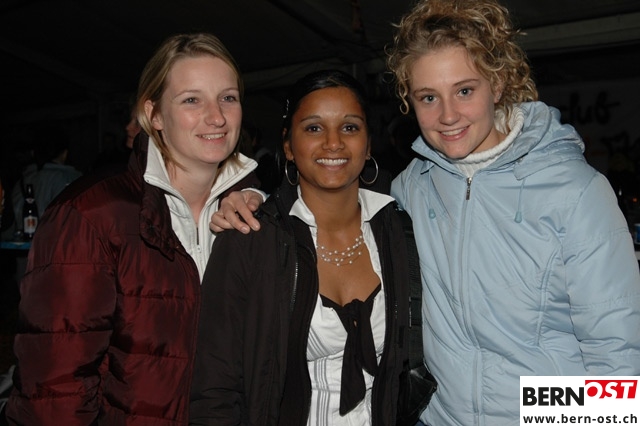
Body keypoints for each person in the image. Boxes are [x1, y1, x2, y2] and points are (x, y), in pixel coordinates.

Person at [385, 0, 640, 424]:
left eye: (465, 91)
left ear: (498, 84)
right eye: (429, 97)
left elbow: (619, 353)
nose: (448, 115)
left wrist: (537, 414)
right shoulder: (412, 187)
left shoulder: (575, 191)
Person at [6, 32, 262, 425]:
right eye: (191, 100)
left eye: (228, 97)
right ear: (154, 115)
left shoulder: (256, 215)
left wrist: (257, 194)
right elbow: (55, 392)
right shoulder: (92, 214)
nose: (217, 117)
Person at [190, 70, 414, 425]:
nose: (333, 143)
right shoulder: (249, 239)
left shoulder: (398, 231)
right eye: (313, 128)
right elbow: (214, 389)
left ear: (368, 143)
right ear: (288, 146)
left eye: (350, 127)